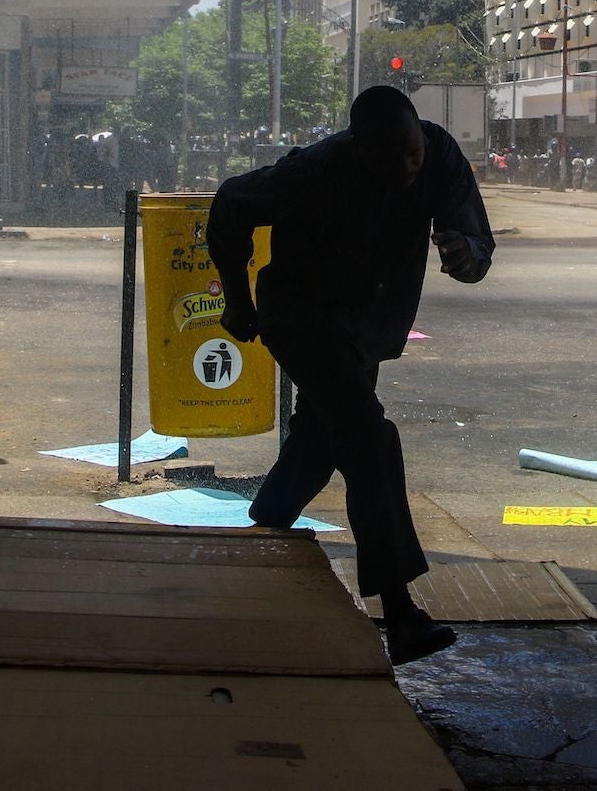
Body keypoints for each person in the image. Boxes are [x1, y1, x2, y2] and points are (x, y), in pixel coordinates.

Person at [207, 86, 494, 666]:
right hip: (303, 320)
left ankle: (267, 523)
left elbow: (475, 238)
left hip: (367, 326)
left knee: (320, 438)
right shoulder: (313, 171)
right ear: (359, 149)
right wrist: (237, 300)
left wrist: (466, 254)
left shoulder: (437, 154)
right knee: (369, 441)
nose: (405, 169)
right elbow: (230, 204)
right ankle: (400, 613)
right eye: (389, 158)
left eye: (411, 154)